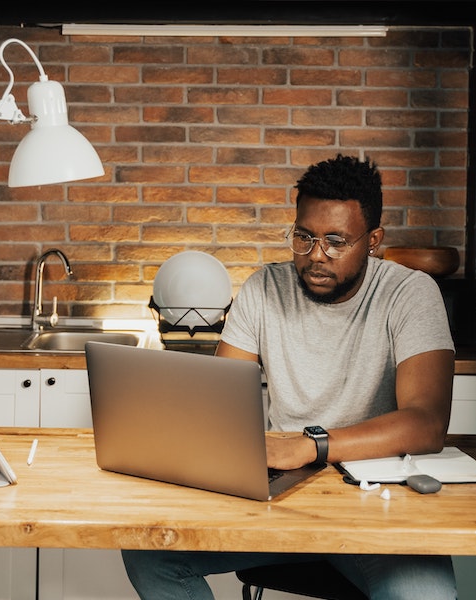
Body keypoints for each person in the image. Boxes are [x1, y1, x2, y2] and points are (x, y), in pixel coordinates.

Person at [122, 154, 457, 600]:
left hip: (376, 498)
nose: (316, 256)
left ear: (373, 240)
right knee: (148, 552)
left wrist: (309, 444)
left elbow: (426, 424)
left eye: (336, 241)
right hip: (279, 494)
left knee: (425, 596)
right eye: (304, 237)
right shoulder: (264, 288)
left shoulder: (410, 293)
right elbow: (219, 409)